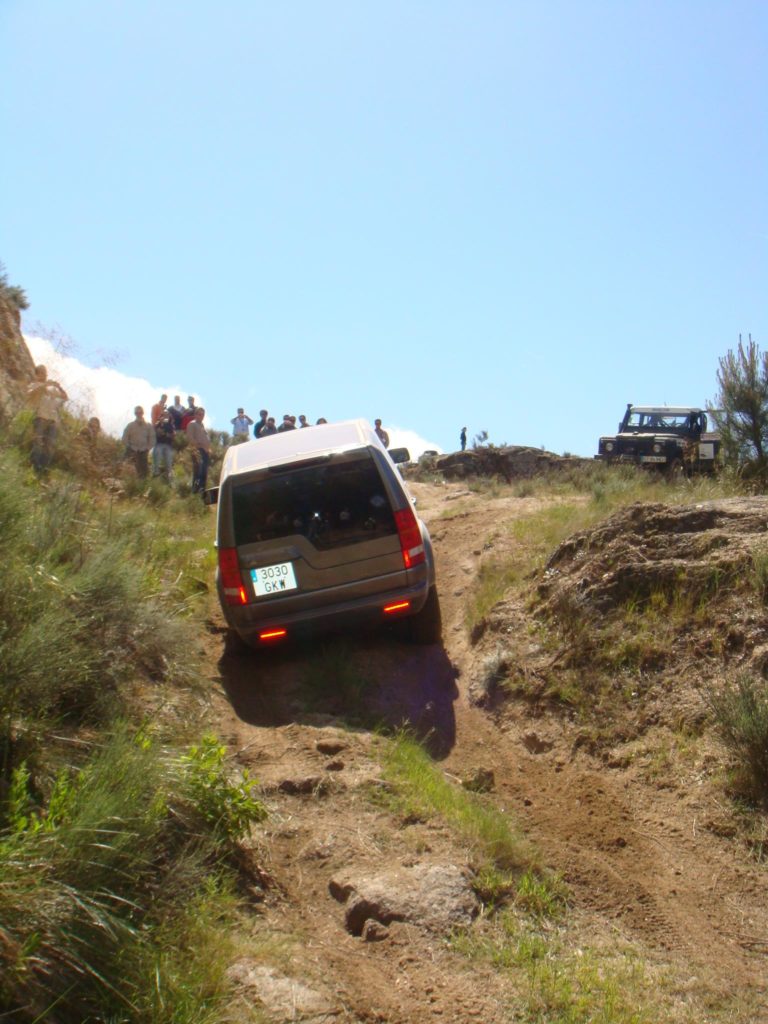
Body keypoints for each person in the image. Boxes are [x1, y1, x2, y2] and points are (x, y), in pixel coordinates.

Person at [26, 365, 68, 474]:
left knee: (50, 446)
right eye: (42, 373)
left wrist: (58, 387)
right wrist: (45, 384)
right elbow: (30, 394)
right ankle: (34, 466)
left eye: (45, 373)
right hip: (40, 417)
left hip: (53, 420)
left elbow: (65, 397)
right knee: (38, 442)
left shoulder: (51, 389)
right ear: (37, 374)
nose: (45, 375)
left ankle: (43, 469)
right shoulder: (34, 385)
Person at [122, 406, 155, 479]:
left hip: (143, 451)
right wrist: (130, 447)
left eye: (140, 412)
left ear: (143, 413)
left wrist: (147, 448)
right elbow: (124, 438)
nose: (139, 414)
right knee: (128, 470)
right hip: (132, 450)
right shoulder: (130, 425)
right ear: (135, 414)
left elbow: (152, 439)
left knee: (144, 473)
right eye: (137, 413)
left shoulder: (148, 426)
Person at [186, 406, 211, 493]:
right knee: (198, 471)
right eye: (199, 414)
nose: (201, 416)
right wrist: (199, 445)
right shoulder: (192, 424)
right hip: (197, 451)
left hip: (205, 452)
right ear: (195, 415)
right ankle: (195, 491)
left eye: (203, 414)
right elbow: (190, 438)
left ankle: (202, 490)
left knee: (204, 472)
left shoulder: (202, 426)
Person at [153, 410, 175, 482]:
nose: (165, 416)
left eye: (167, 415)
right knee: (157, 457)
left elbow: (173, 435)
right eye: (164, 415)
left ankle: (169, 477)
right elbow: (156, 433)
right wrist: (161, 424)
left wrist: (166, 434)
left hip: (168, 445)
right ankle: (156, 474)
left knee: (169, 461)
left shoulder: (171, 425)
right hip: (159, 444)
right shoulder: (157, 424)